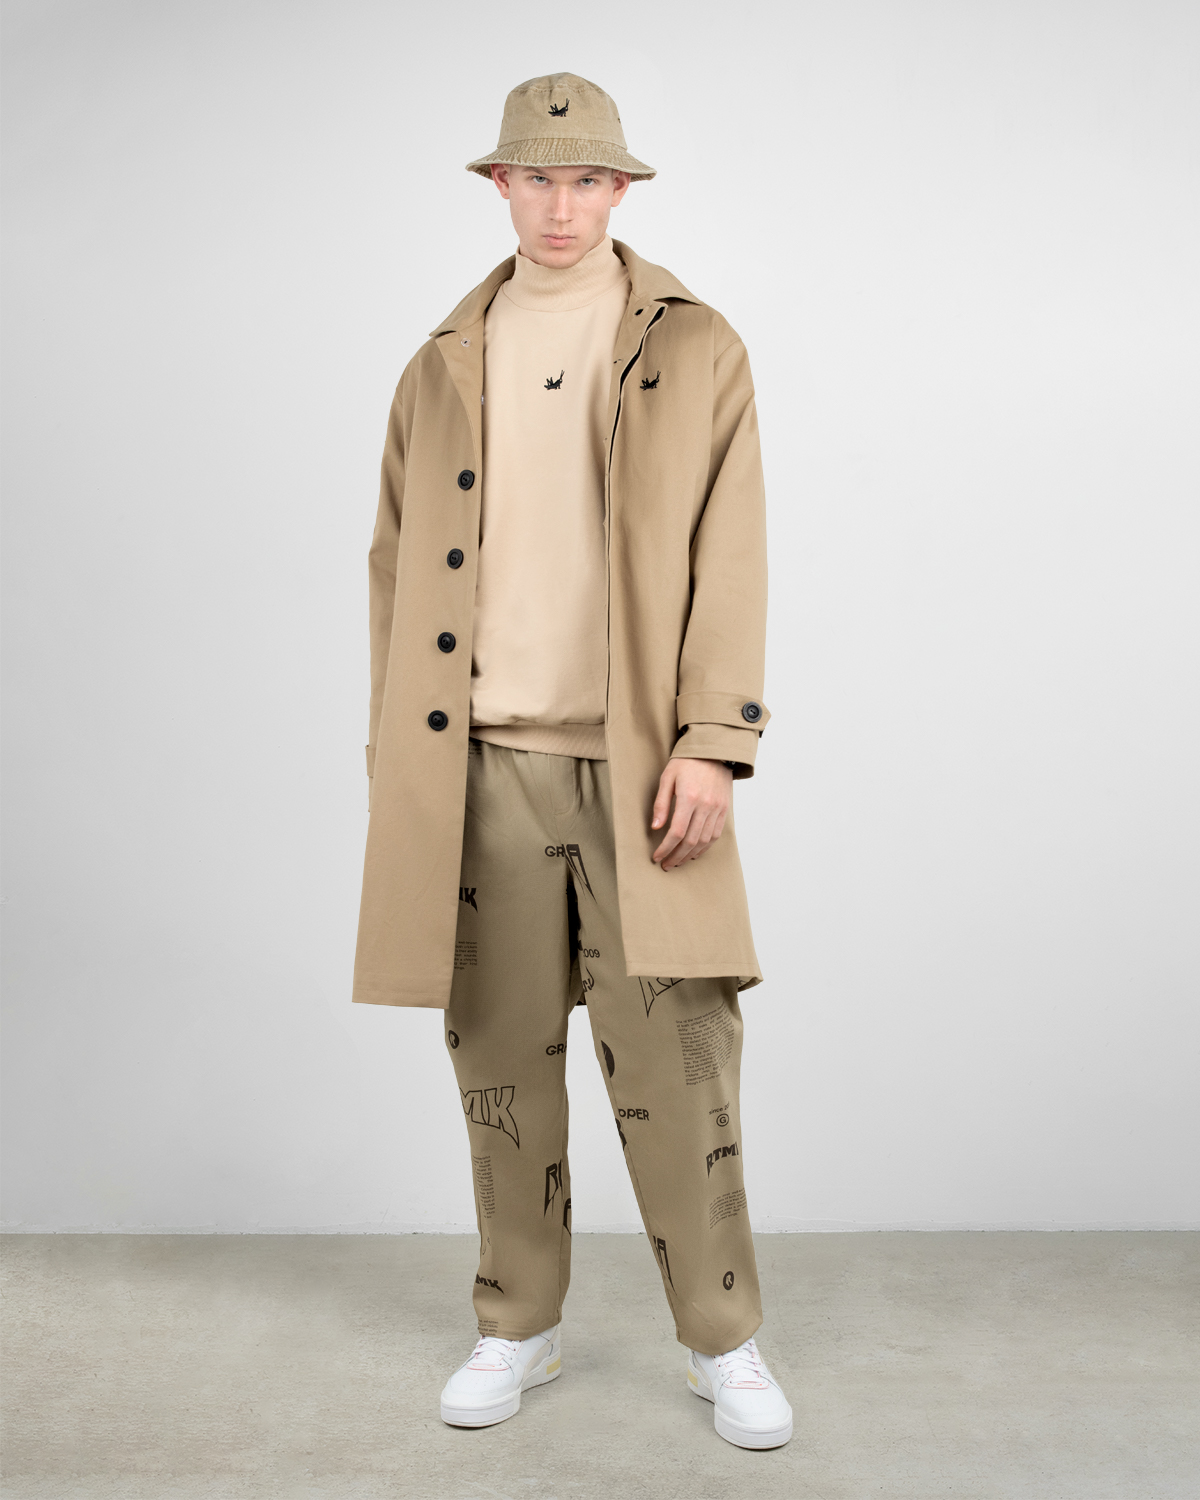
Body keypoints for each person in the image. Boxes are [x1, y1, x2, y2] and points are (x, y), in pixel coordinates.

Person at [352, 72, 790, 1450]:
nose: (561, 204)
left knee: (681, 1061)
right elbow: (393, 567)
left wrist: (714, 742)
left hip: (643, 768)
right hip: (479, 765)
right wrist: (397, 760)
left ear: (621, 190)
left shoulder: (696, 345)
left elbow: (732, 553)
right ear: (499, 185)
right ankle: (517, 1324)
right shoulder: (440, 361)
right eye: (537, 178)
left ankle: (724, 1339)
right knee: (498, 1057)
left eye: (587, 179)